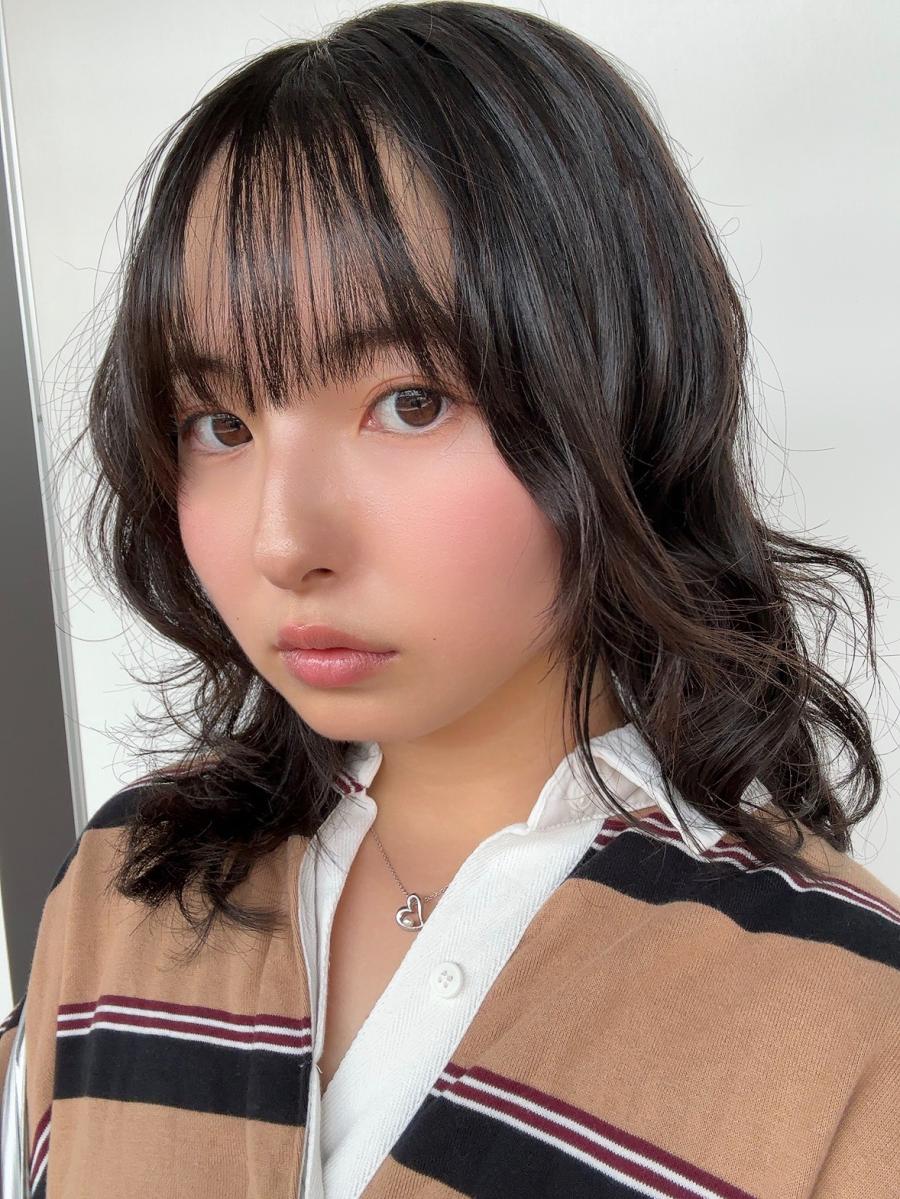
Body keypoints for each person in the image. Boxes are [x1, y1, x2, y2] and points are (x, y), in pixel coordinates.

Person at [1, 2, 898, 1196]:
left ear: (621, 388)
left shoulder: (849, 1024)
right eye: (218, 422)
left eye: (410, 402)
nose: (283, 541)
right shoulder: (128, 880)